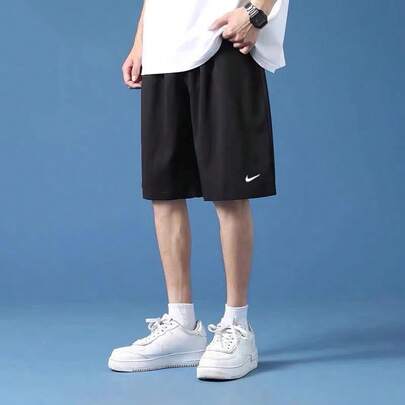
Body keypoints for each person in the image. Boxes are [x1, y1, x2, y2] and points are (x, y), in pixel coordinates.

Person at [108, 0, 289, 380]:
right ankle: (182, 326)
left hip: (222, 40)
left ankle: (238, 325)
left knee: (229, 192)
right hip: (163, 51)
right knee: (165, 191)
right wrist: (141, 41)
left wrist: (255, 13)